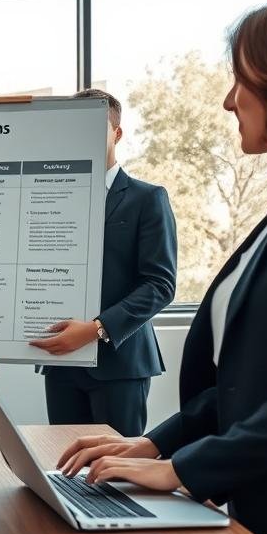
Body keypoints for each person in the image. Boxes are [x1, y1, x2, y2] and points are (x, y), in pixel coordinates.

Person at [57, 0, 267, 534]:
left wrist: (185, 468)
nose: (229, 100)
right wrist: (154, 447)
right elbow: (249, 384)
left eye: (242, 79)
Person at [30, 89, 177, 436]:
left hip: (120, 363)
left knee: (116, 476)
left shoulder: (147, 198)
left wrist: (97, 329)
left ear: (117, 133)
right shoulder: (51, 199)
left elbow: (160, 285)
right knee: (64, 470)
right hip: (62, 363)